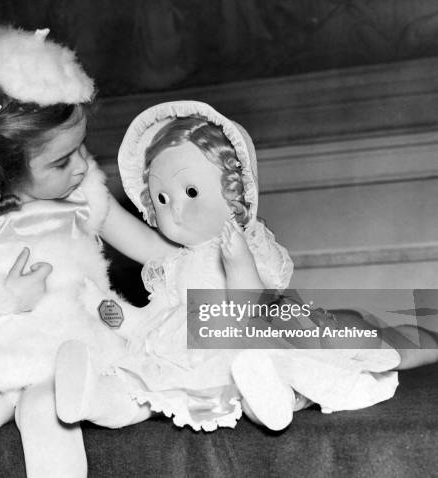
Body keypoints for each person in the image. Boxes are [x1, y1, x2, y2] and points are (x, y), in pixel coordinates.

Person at [0, 27, 176, 478]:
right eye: (62, 161)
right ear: (1, 167)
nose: (83, 164)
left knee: (53, 415)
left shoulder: (86, 196)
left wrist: (219, 253)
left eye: (82, 147)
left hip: (64, 352)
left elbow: (157, 252)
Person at [54, 101, 401, 437]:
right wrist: (85, 182)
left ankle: (270, 400)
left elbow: (256, 307)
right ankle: (93, 399)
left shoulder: (247, 246)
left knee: (264, 360)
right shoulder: (173, 256)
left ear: (235, 187)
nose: (174, 209)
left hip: (239, 335)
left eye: (190, 191)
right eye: (161, 198)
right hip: (181, 348)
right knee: (141, 381)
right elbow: (117, 224)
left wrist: (239, 264)